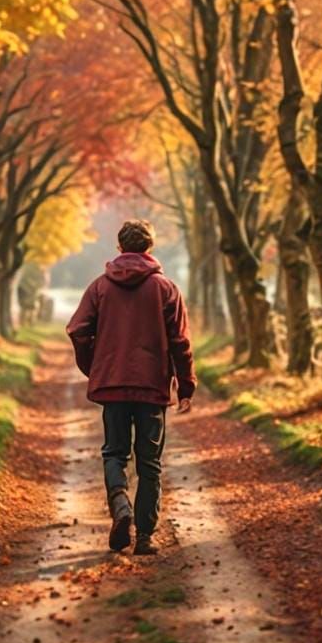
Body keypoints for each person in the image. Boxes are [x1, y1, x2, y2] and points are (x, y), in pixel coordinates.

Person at [66, 219, 196, 556]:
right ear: (150, 247)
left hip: (113, 384)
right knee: (149, 462)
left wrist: (94, 365)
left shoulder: (99, 287)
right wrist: (185, 386)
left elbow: (78, 329)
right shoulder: (166, 289)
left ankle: (120, 504)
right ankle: (145, 539)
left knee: (114, 452)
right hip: (151, 386)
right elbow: (180, 341)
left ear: (120, 247)